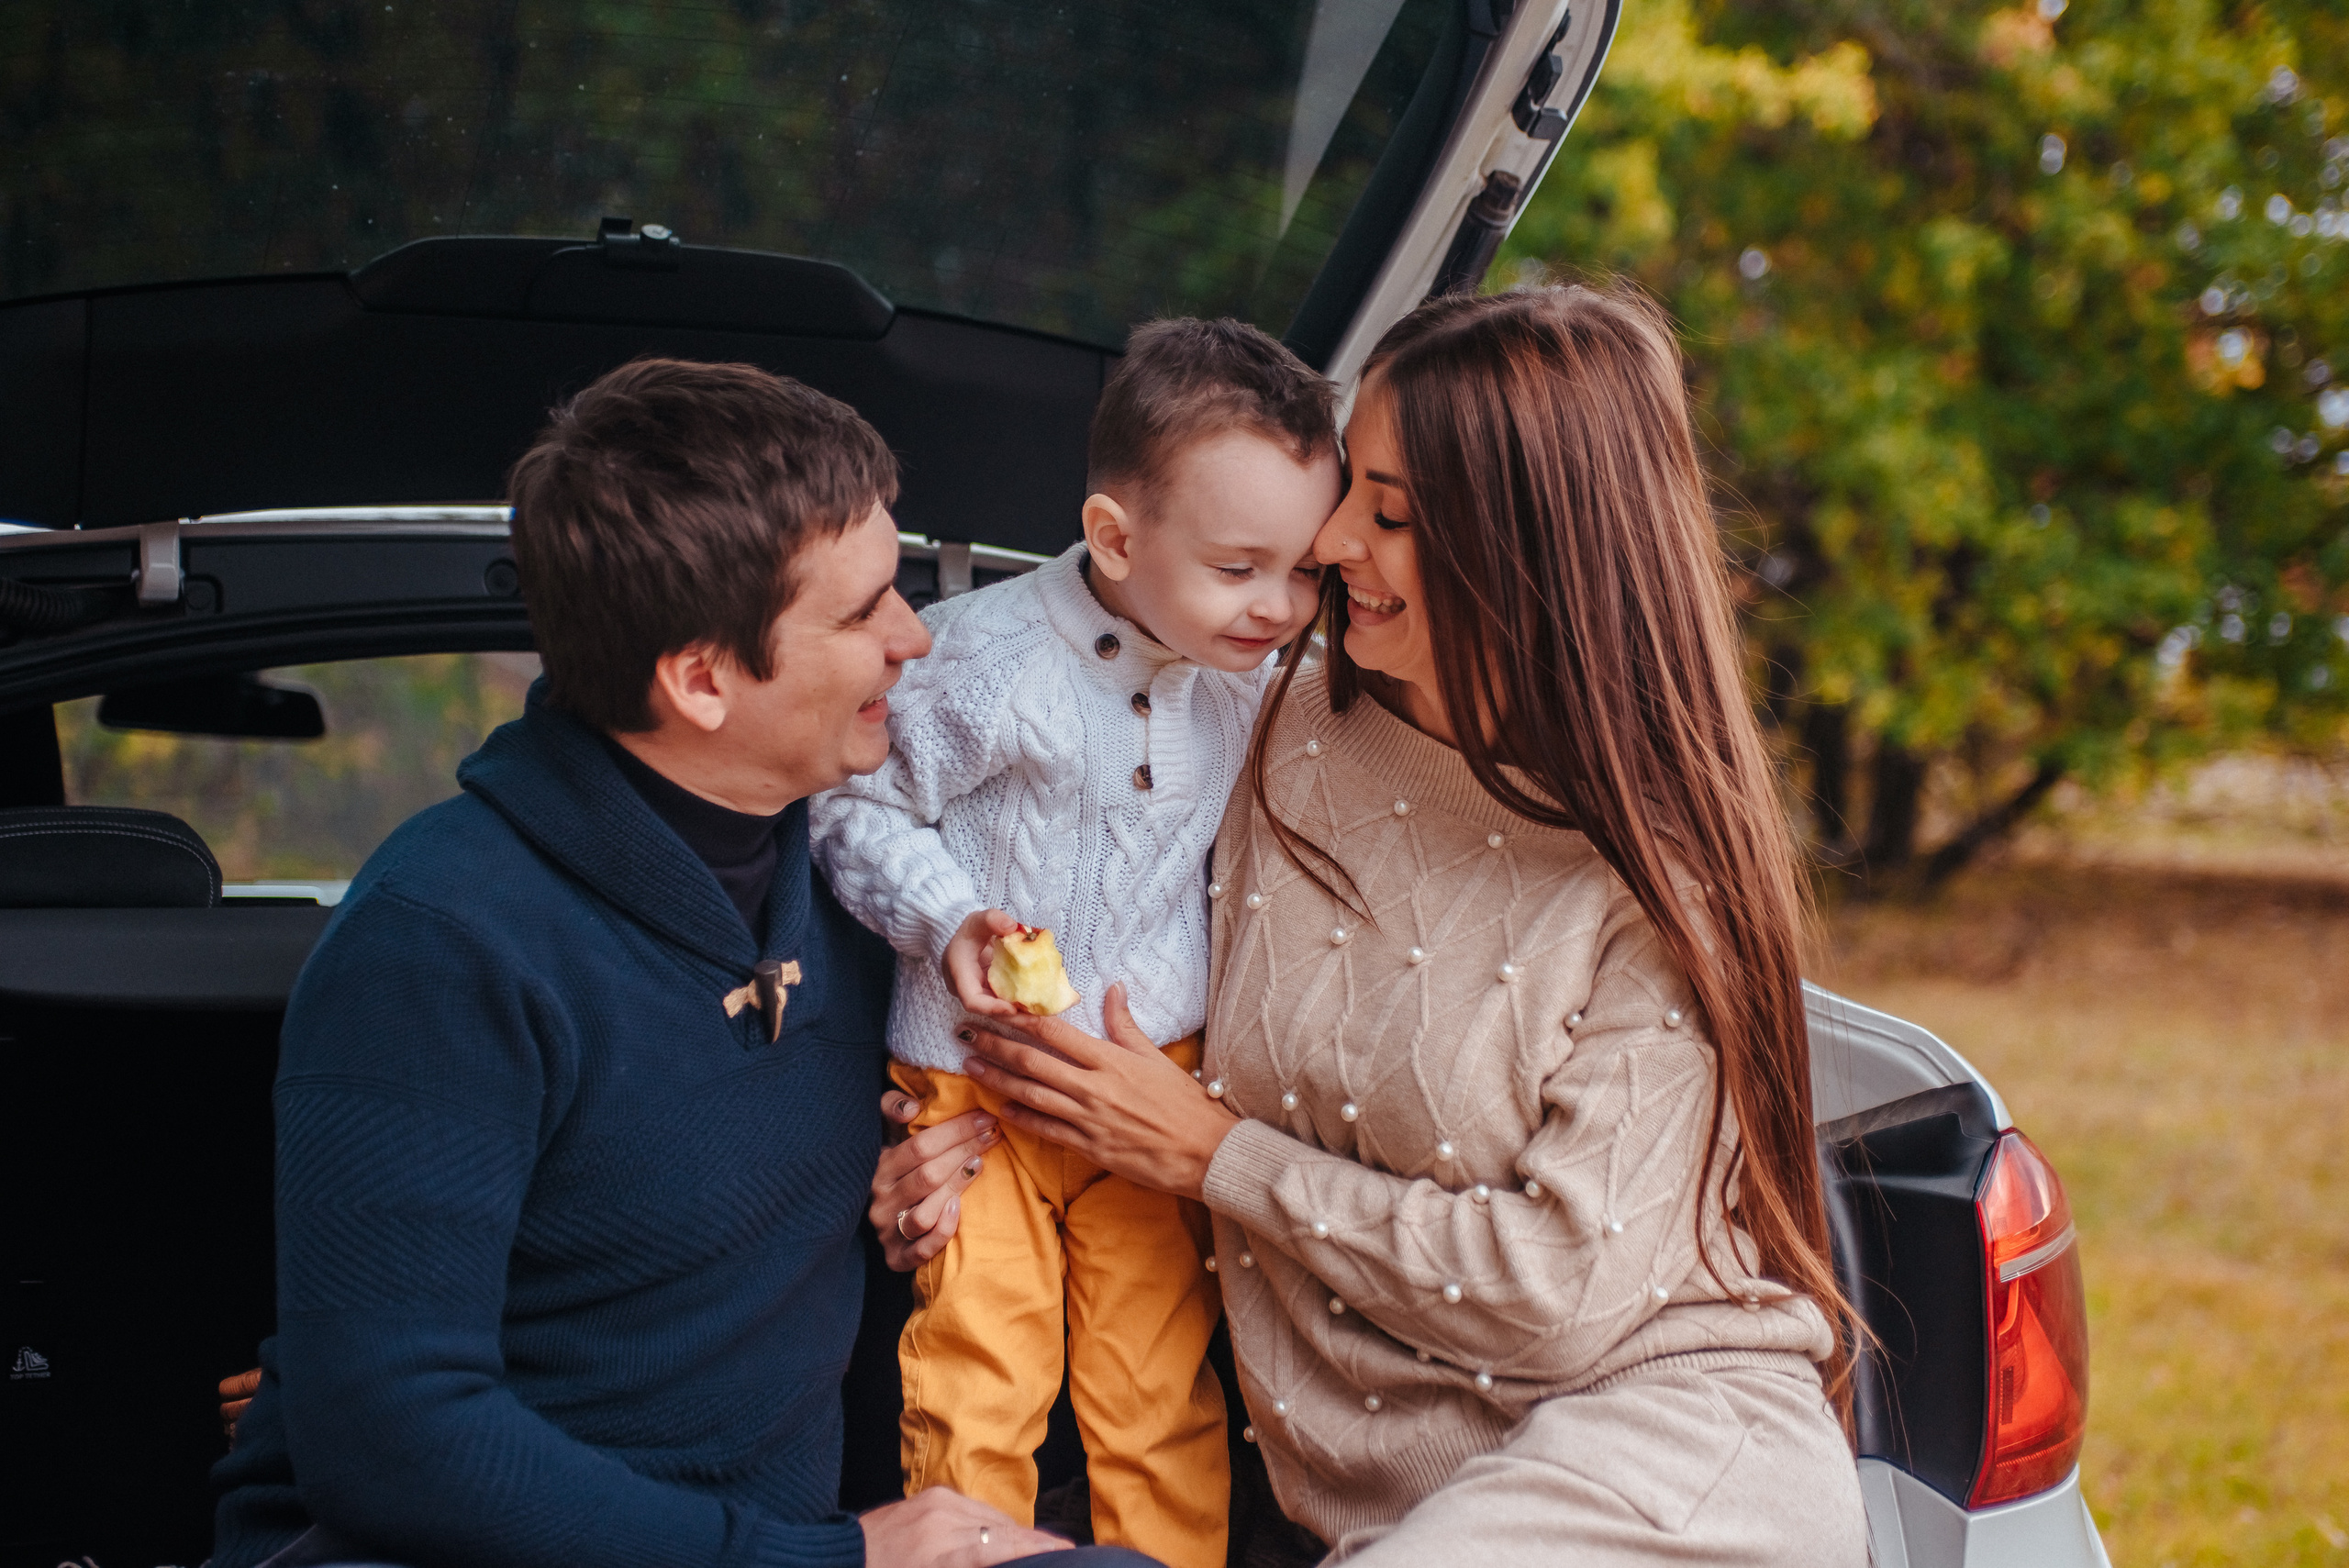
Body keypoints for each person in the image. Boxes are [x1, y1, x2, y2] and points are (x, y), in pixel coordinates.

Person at [931, 284, 1874, 1565]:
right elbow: (1080, 942)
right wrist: (968, 1143)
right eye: (1345, 495)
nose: (1324, 549)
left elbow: (1551, 1288)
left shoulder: (1653, 886)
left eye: (1390, 514)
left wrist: (1218, 1156)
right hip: (1389, 1519)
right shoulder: (1267, 722)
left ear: (1521, 548)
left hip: (1657, 1457)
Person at [209, 358, 1156, 1568]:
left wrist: (915, 1178)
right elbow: (393, 1439)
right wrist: (829, 1561)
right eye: (863, 611)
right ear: (702, 678)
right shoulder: (440, 937)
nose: (914, 638)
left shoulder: (862, 888)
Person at [810, 319, 1341, 1568]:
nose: (1279, 606)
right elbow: (851, 803)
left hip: (1149, 1085)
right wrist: (946, 918)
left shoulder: (1251, 686)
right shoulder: (981, 663)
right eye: (1241, 569)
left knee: (1159, 1388)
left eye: (1303, 572)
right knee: (979, 1375)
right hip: (976, 1085)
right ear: (1113, 537)